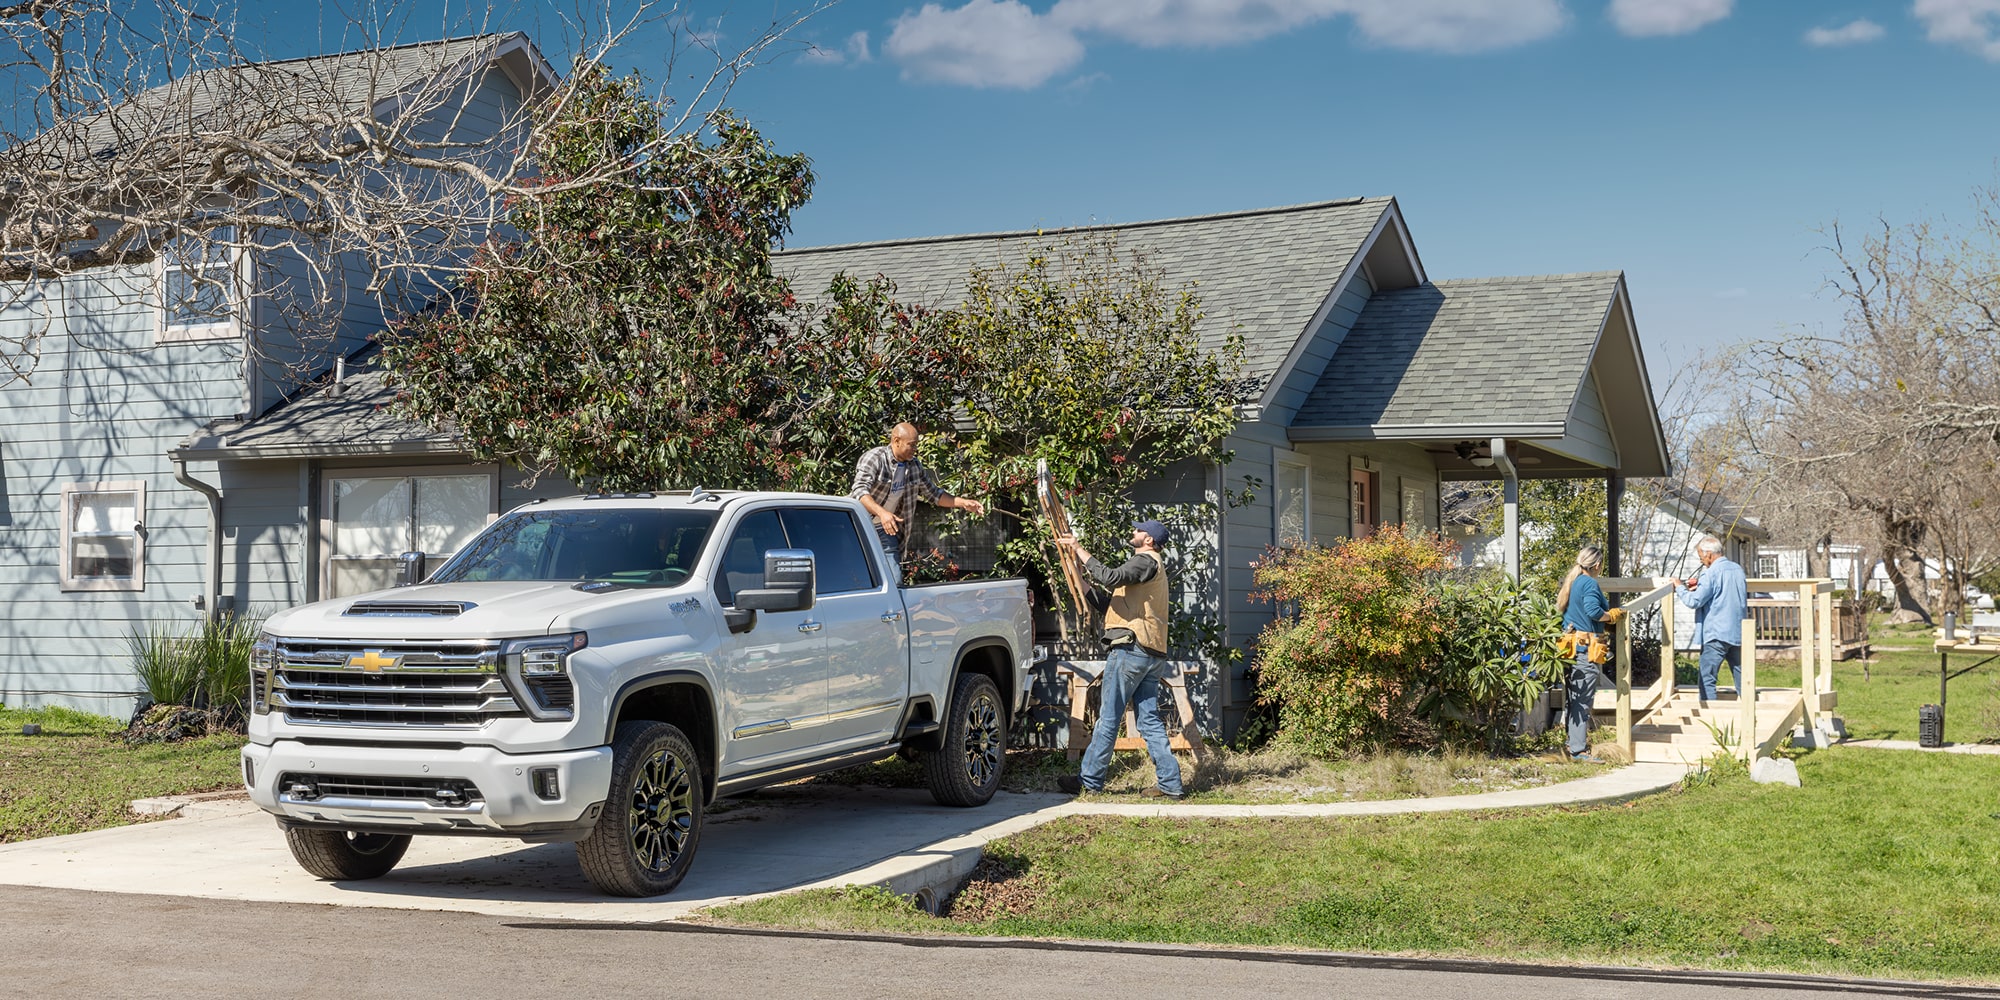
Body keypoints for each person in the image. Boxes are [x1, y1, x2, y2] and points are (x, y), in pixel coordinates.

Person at [1055, 520, 1186, 800]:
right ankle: (1170, 784)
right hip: (1151, 653)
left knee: (1109, 718)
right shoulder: (1148, 571)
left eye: (1139, 530)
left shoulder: (1145, 561)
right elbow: (1108, 606)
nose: (1134, 532)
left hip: (1131, 649)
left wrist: (1078, 548)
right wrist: (1080, 579)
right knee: (1149, 721)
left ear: (1149, 540)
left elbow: (1110, 577)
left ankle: (1090, 781)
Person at [849, 422, 984, 582]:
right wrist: (882, 513)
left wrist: (963, 503)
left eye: (916, 445)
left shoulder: (914, 466)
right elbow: (859, 491)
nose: (915, 449)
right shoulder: (875, 458)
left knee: (895, 580)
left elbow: (933, 494)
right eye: (911, 445)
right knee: (854, 577)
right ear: (896, 441)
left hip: (885, 530)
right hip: (856, 527)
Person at [1558, 545, 1616, 764]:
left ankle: (1571, 744)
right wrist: (1610, 616)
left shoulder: (1574, 581)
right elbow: (1593, 611)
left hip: (1571, 648)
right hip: (1585, 650)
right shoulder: (1590, 583)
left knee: (1573, 698)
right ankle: (1578, 750)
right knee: (1582, 700)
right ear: (1598, 564)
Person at [1678, 535, 1748, 701]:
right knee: (1744, 678)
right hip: (1738, 631)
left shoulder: (1710, 573)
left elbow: (1694, 601)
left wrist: (1679, 587)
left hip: (1716, 634)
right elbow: (1722, 592)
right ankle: (1749, 710)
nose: (1701, 560)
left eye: (1701, 556)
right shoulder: (1738, 569)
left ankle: (1710, 714)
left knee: (1707, 679)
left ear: (1708, 554)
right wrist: (1700, 586)